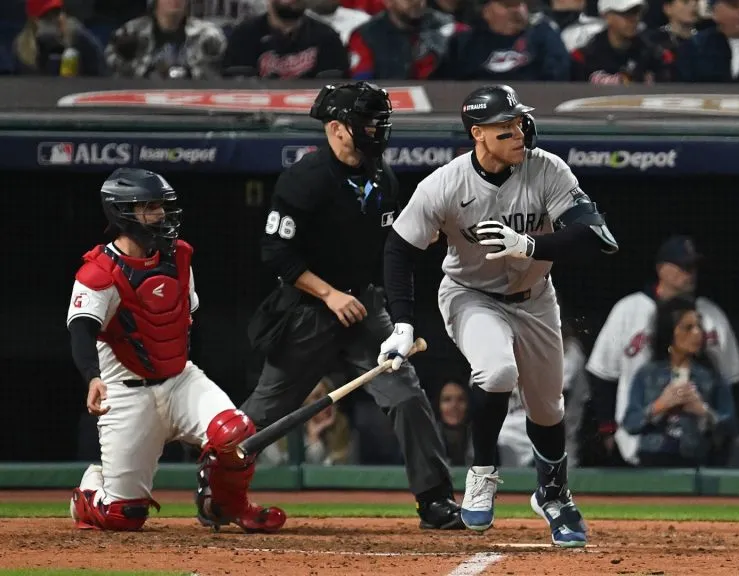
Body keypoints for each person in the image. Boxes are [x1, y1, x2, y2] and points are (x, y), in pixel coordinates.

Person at [377, 84, 618, 547]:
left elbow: (595, 237)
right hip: (471, 295)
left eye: (518, 122)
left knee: (549, 408)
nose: (518, 131)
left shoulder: (546, 169)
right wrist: (402, 323)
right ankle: (482, 472)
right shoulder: (445, 184)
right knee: (497, 370)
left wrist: (530, 245)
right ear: (477, 134)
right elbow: (399, 250)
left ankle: (553, 495)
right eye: (504, 127)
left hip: (536, 297)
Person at [239, 82, 462, 530]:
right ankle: (218, 485)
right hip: (307, 310)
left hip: (364, 307)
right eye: (368, 122)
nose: (377, 129)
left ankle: (435, 500)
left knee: (406, 394)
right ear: (338, 129)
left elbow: (391, 246)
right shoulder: (305, 178)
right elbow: (276, 253)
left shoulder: (383, 176)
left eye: (380, 121)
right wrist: (329, 294)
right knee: (264, 411)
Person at [66, 168, 286, 533]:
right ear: (122, 212)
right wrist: (92, 377)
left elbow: (186, 318)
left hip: (179, 380)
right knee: (123, 517)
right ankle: (90, 493)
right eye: (150, 208)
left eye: (162, 207)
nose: (161, 216)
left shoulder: (179, 257)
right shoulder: (98, 272)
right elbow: (80, 329)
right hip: (126, 393)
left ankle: (229, 505)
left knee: (235, 432)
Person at [587, 235, 739, 466]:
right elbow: (602, 376)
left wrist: (708, 416)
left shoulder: (712, 315)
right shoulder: (629, 310)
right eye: (684, 266)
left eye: (694, 267)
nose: (690, 273)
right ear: (661, 269)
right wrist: (608, 430)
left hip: (700, 444)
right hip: (636, 440)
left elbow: (732, 382)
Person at [621, 297, 738, 467]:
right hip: (652, 460)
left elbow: (732, 426)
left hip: (695, 461)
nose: (697, 333)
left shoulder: (711, 376)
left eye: (699, 326)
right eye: (688, 328)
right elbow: (630, 423)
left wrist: (704, 412)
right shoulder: (647, 375)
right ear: (670, 332)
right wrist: (659, 406)